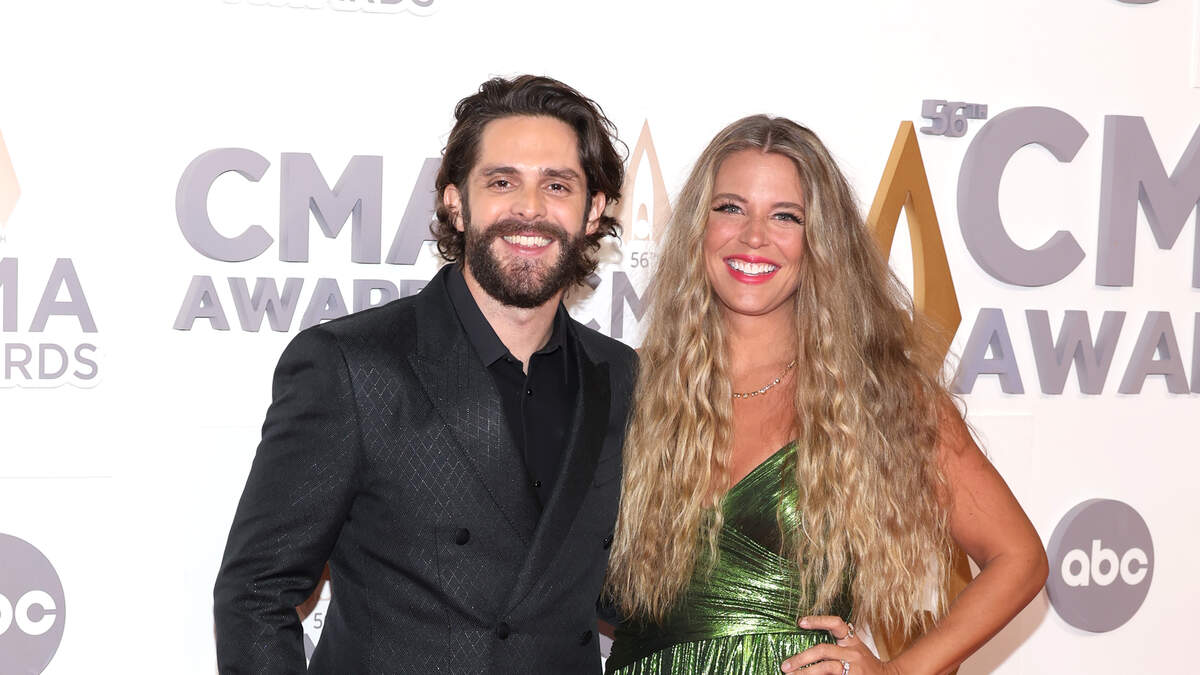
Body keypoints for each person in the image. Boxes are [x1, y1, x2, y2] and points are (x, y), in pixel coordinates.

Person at [213, 75, 636, 674]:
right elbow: (256, 593)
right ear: (456, 204)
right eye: (502, 182)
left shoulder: (618, 376)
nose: (531, 208)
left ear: (592, 212)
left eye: (557, 185)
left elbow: (625, 588)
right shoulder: (352, 366)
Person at [602, 116, 1047, 674]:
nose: (754, 236)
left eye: (785, 216)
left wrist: (898, 673)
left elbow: (1019, 558)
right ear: (699, 226)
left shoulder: (879, 396)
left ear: (821, 241)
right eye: (731, 208)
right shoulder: (629, 386)